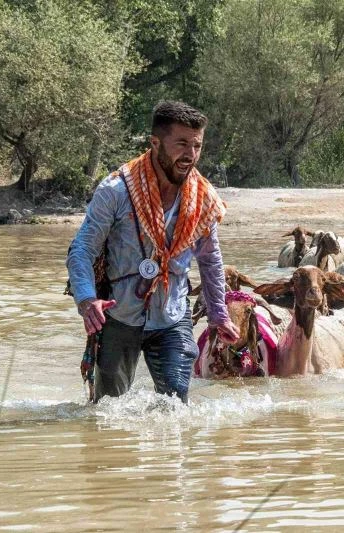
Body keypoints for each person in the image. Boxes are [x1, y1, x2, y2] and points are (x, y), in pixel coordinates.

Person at [66, 101, 240, 403]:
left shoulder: (204, 198)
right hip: (118, 314)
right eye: (182, 144)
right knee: (108, 409)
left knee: (175, 402)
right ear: (155, 143)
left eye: (197, 145)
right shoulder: (116, 190)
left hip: (172, 314)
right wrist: (86, 300)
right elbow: (81, 249)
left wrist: (218, 315)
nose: (190, 155)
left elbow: (210, 261)